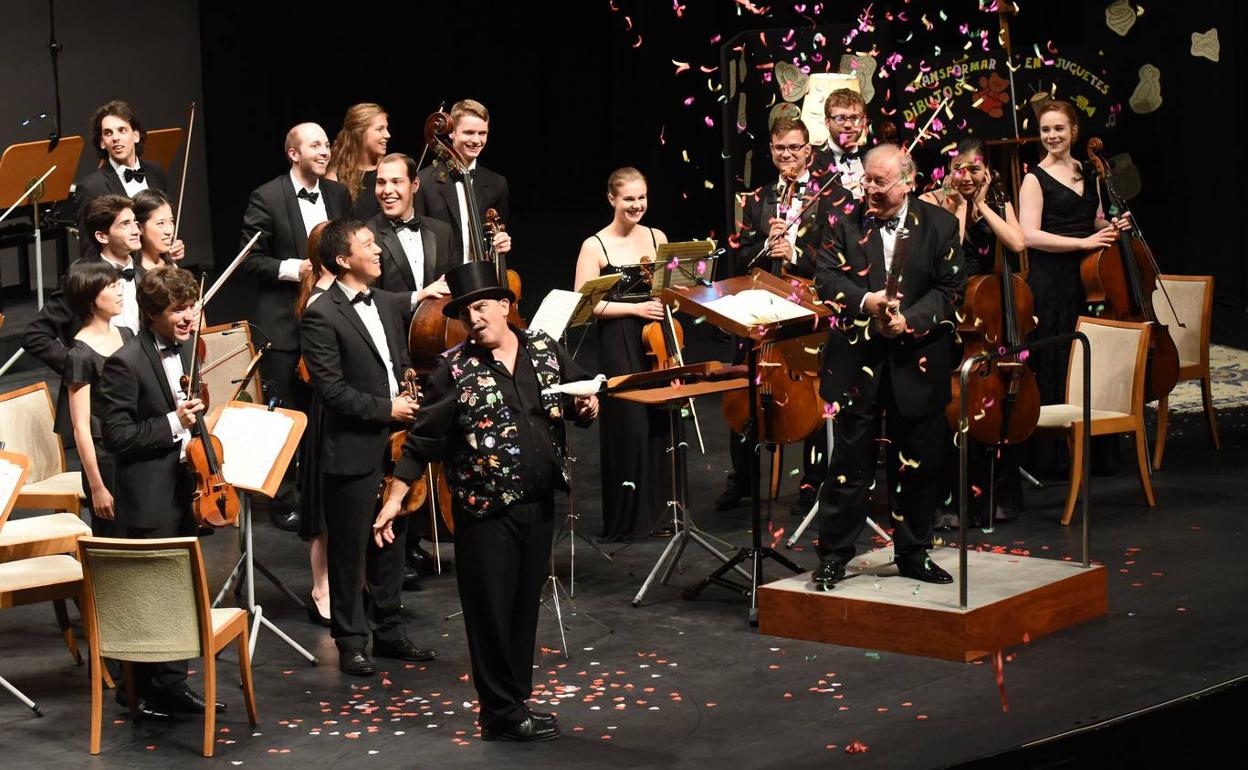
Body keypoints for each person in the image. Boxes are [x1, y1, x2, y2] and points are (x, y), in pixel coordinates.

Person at [376, 260, 599, 741]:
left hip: (539, 503)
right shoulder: (453, 369)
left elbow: (578, 397)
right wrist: (395, 498)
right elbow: (422, 440)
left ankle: (514, 701)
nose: (474, 317)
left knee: (522, 608)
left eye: (481, 306)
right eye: (465, 312)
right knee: (490, 612)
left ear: (505, 306)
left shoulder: (544, 349)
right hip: (484, 511)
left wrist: (588, 405)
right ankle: (499, 712)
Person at [810, 144, 965, 589]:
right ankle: (835, 556)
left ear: (909, 181)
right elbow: (826, 278)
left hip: (914, 362)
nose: (870, 189)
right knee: (848, 464)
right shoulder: (843, 222)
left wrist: (908, 322)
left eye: (880, 181)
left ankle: (914, 553)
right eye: (867, 180)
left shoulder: (941, 224)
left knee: (918, 464)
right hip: (857, 360)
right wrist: (867, 301)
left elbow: (951, 289)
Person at [299, 219, 433, 676]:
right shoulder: (321, 312)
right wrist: (387, 409)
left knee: (393, 539)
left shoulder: (385, 303)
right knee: (351, 547)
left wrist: (408, 398)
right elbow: (331, 391)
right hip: (353, 447)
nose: (378, 251)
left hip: (394, 445)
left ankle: (390, 630)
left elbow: (398, 364)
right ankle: (351, 639)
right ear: (342, 259)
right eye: (368, 245)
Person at [96, 266, 224, 720]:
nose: (189, 318)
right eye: (178, 311)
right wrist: (175, 423)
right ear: (152, 314)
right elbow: (117, 437)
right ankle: (138, 690)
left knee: (180, 592)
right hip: (148, 497)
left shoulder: (188, 350)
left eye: (192, 307)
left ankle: (172, 684)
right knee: (150, 597)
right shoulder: (124, 363)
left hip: (182, 490)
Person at [719, 117, 853, 515]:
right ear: (772, 151)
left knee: (812, 389)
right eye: (780, 149)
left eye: (795, 148)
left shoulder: (831, 196)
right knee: (743, 383)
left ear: (808, 151)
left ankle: (812, 481)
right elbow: (738, 259)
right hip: (761, 307)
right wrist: (765, 243)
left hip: (806, 307)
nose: (788, 155)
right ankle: (742, 479)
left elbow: (839, 261)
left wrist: (794, 254)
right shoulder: (757, 200)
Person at [239, 122, 351, 531]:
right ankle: (283, 497)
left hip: (334, 317)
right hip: (284, 322)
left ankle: (320, 493)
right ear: (293, 153)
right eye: (315, 145)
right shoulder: (267, 196)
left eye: (326, 145)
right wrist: (296, 268)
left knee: (326, 406)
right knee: (284, 410)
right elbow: (250, 260)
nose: (324, 151)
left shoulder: (338, 194)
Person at [921, 137, 1026, 526]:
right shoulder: (936, 202)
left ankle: (994, 496)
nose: (966, 176)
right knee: (953, 409)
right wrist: (962, 204)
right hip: (955, 314)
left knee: (993, 405)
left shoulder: (998, 201)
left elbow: (1016, 241)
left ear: (988, 171)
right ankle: (952, 500)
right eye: (958, 169)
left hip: (992, 319)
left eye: (974, 169)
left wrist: (981, 203)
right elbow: (955, 245)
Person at [572, 167, 671, 541]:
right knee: (629, 425)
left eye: (641, 197)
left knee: (659, 420)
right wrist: (634, 309)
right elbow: (584, 304)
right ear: (612, 199)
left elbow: (664, 289)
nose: (637, 205)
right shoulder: (594, 245)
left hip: (655, 336)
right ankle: (628, 520)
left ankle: (659, 516)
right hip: (618, 337)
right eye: (628, 198)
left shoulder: (657, 236)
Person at [1018, 100, 1127, 408]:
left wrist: (1113, 224)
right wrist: (1082, 244)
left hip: (1089, 278)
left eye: (1059, 128)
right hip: (1052, 280)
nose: (1052, 135)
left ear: (1073, 131)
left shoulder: (1087, 169)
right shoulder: (1034, 179)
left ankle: (1090, 438)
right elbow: (1029, 235)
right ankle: (1056, 447)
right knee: (1058, 358)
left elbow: (1095, 218)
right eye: (1045, 130)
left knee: (1089, 356)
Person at [23, 195, 146, 443]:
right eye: (125, 224)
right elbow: (35, 335)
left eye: (135, 222)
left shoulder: (143, 273)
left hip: (138, 396)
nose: (136, 230)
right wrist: (82, 365)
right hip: (98, 410)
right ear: (102, 236)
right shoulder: (83, 278)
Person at [60, 261, 133, 537]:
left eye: (118, 284)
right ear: (90, 297)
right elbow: (80, 427)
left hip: (133, 449)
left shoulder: (127, 334)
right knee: (117, 544)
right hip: (106, 461)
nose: (119, 291)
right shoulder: (80, 354)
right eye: (111, 286)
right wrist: (97, 486)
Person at [413, 99, 513, 265]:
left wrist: (500, 243)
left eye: (482, 133)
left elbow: (495, 237)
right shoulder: (425, 182)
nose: (476, 140)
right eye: (468, 132)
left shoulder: (497, 183)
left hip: (483, 279)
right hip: (442, 283)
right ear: (451, 132)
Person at [75, 100, 169, 256]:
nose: (115, 138)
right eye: (108, 133)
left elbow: (162, 222)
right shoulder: (90, 187)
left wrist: (170, 246)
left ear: (136, 135)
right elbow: (89, 251)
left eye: (122, 130)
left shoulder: (155, 172)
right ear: (102, 143)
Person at [368, 152, 453, 321]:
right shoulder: (366, 236)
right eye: (381, 182)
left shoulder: (442, 231)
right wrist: (418, 296)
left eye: (396, 182)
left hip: (437, 336)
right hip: (391, 339)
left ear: (415, 184)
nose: (387, 190)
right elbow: (367, 299)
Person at [326, 103, 391, 221]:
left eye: (386, 128)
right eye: (380, 129)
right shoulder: (334, 177)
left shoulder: (390, 170)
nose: (388, 135)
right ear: (359, 133)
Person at [810, 88, 869, 199]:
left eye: (854, 118)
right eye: (840, 118)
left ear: (864, 121)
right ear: (827, 122)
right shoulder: (810, 163)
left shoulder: (874, 157)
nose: (847, 124)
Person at [132, 188, 186, 270]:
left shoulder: (173, 265)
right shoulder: (130, 272)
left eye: (171, 221)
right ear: (139, 228)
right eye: (160, 223)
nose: (169, 231)